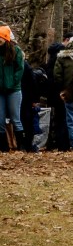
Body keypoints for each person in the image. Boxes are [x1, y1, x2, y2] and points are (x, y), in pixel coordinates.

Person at [0, 25, 25, 153]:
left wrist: (13, 83)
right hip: (0, 91)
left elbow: (20, 69)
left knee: (16, 118)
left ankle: (21, 146)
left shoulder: (16, 51)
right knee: (0, 119)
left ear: (5, 38)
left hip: (14, 90)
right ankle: (3, 147)